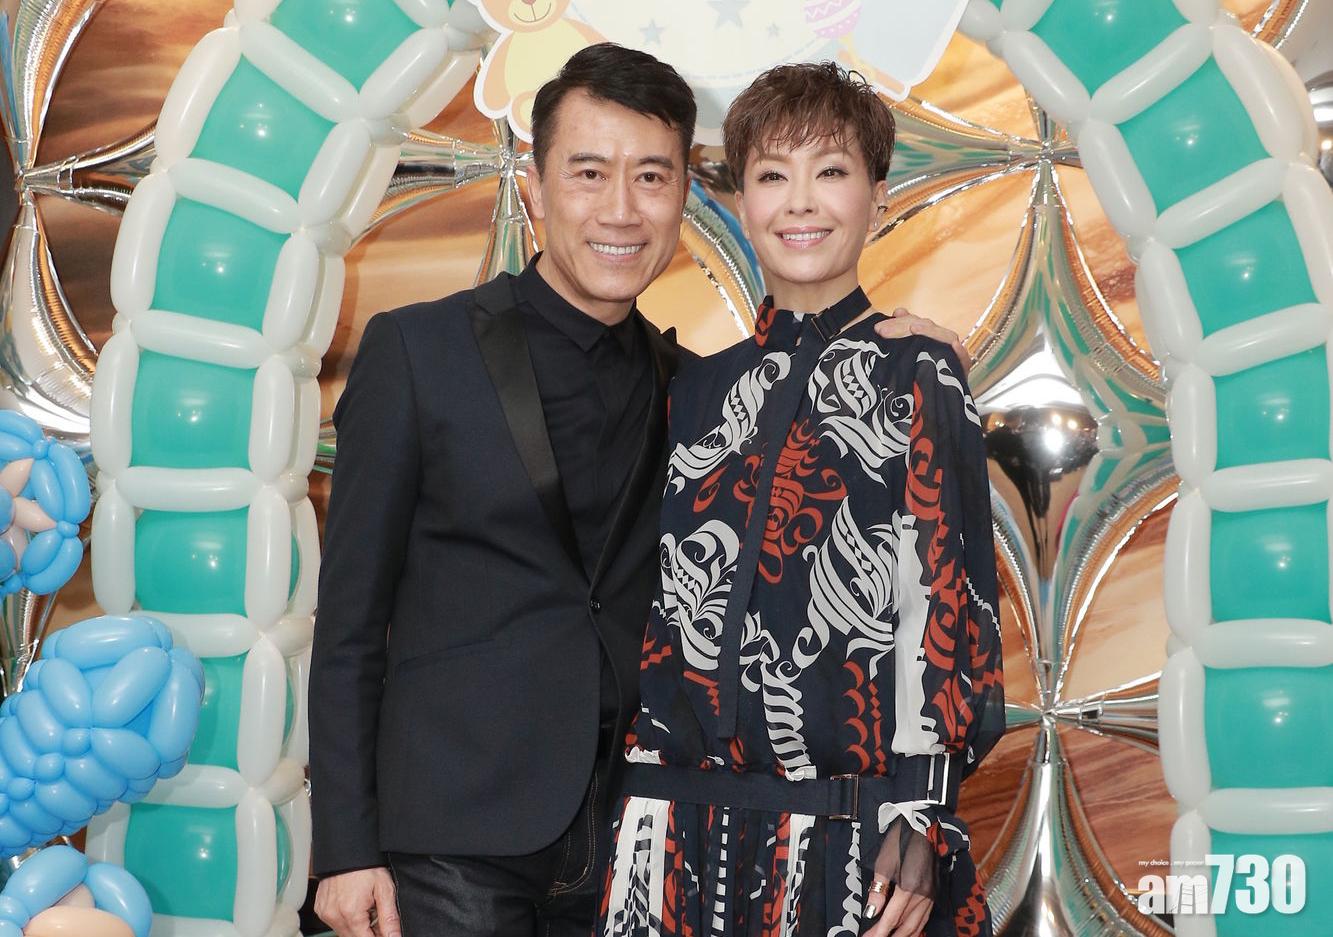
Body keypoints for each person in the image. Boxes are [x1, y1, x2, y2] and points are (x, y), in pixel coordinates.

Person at [309, 44, 973, 937]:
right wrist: (344, 846)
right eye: (589, 173)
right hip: (448, 845)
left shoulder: (695, 391)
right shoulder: (418, 351)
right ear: (534, 188)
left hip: (639, 845)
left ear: (686, 197)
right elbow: (348, 622)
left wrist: (921, 361)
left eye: (651, 177)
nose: (621, 209)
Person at [597, 62, 1005, 937]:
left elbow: (946, 597)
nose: (800, 202)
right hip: (672, 831)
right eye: (772, 175)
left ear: (877, 197)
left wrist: (922, 810)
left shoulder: (917, 370)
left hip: (845, 835)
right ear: (739, 202)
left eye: (831, 171)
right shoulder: (695, 390)